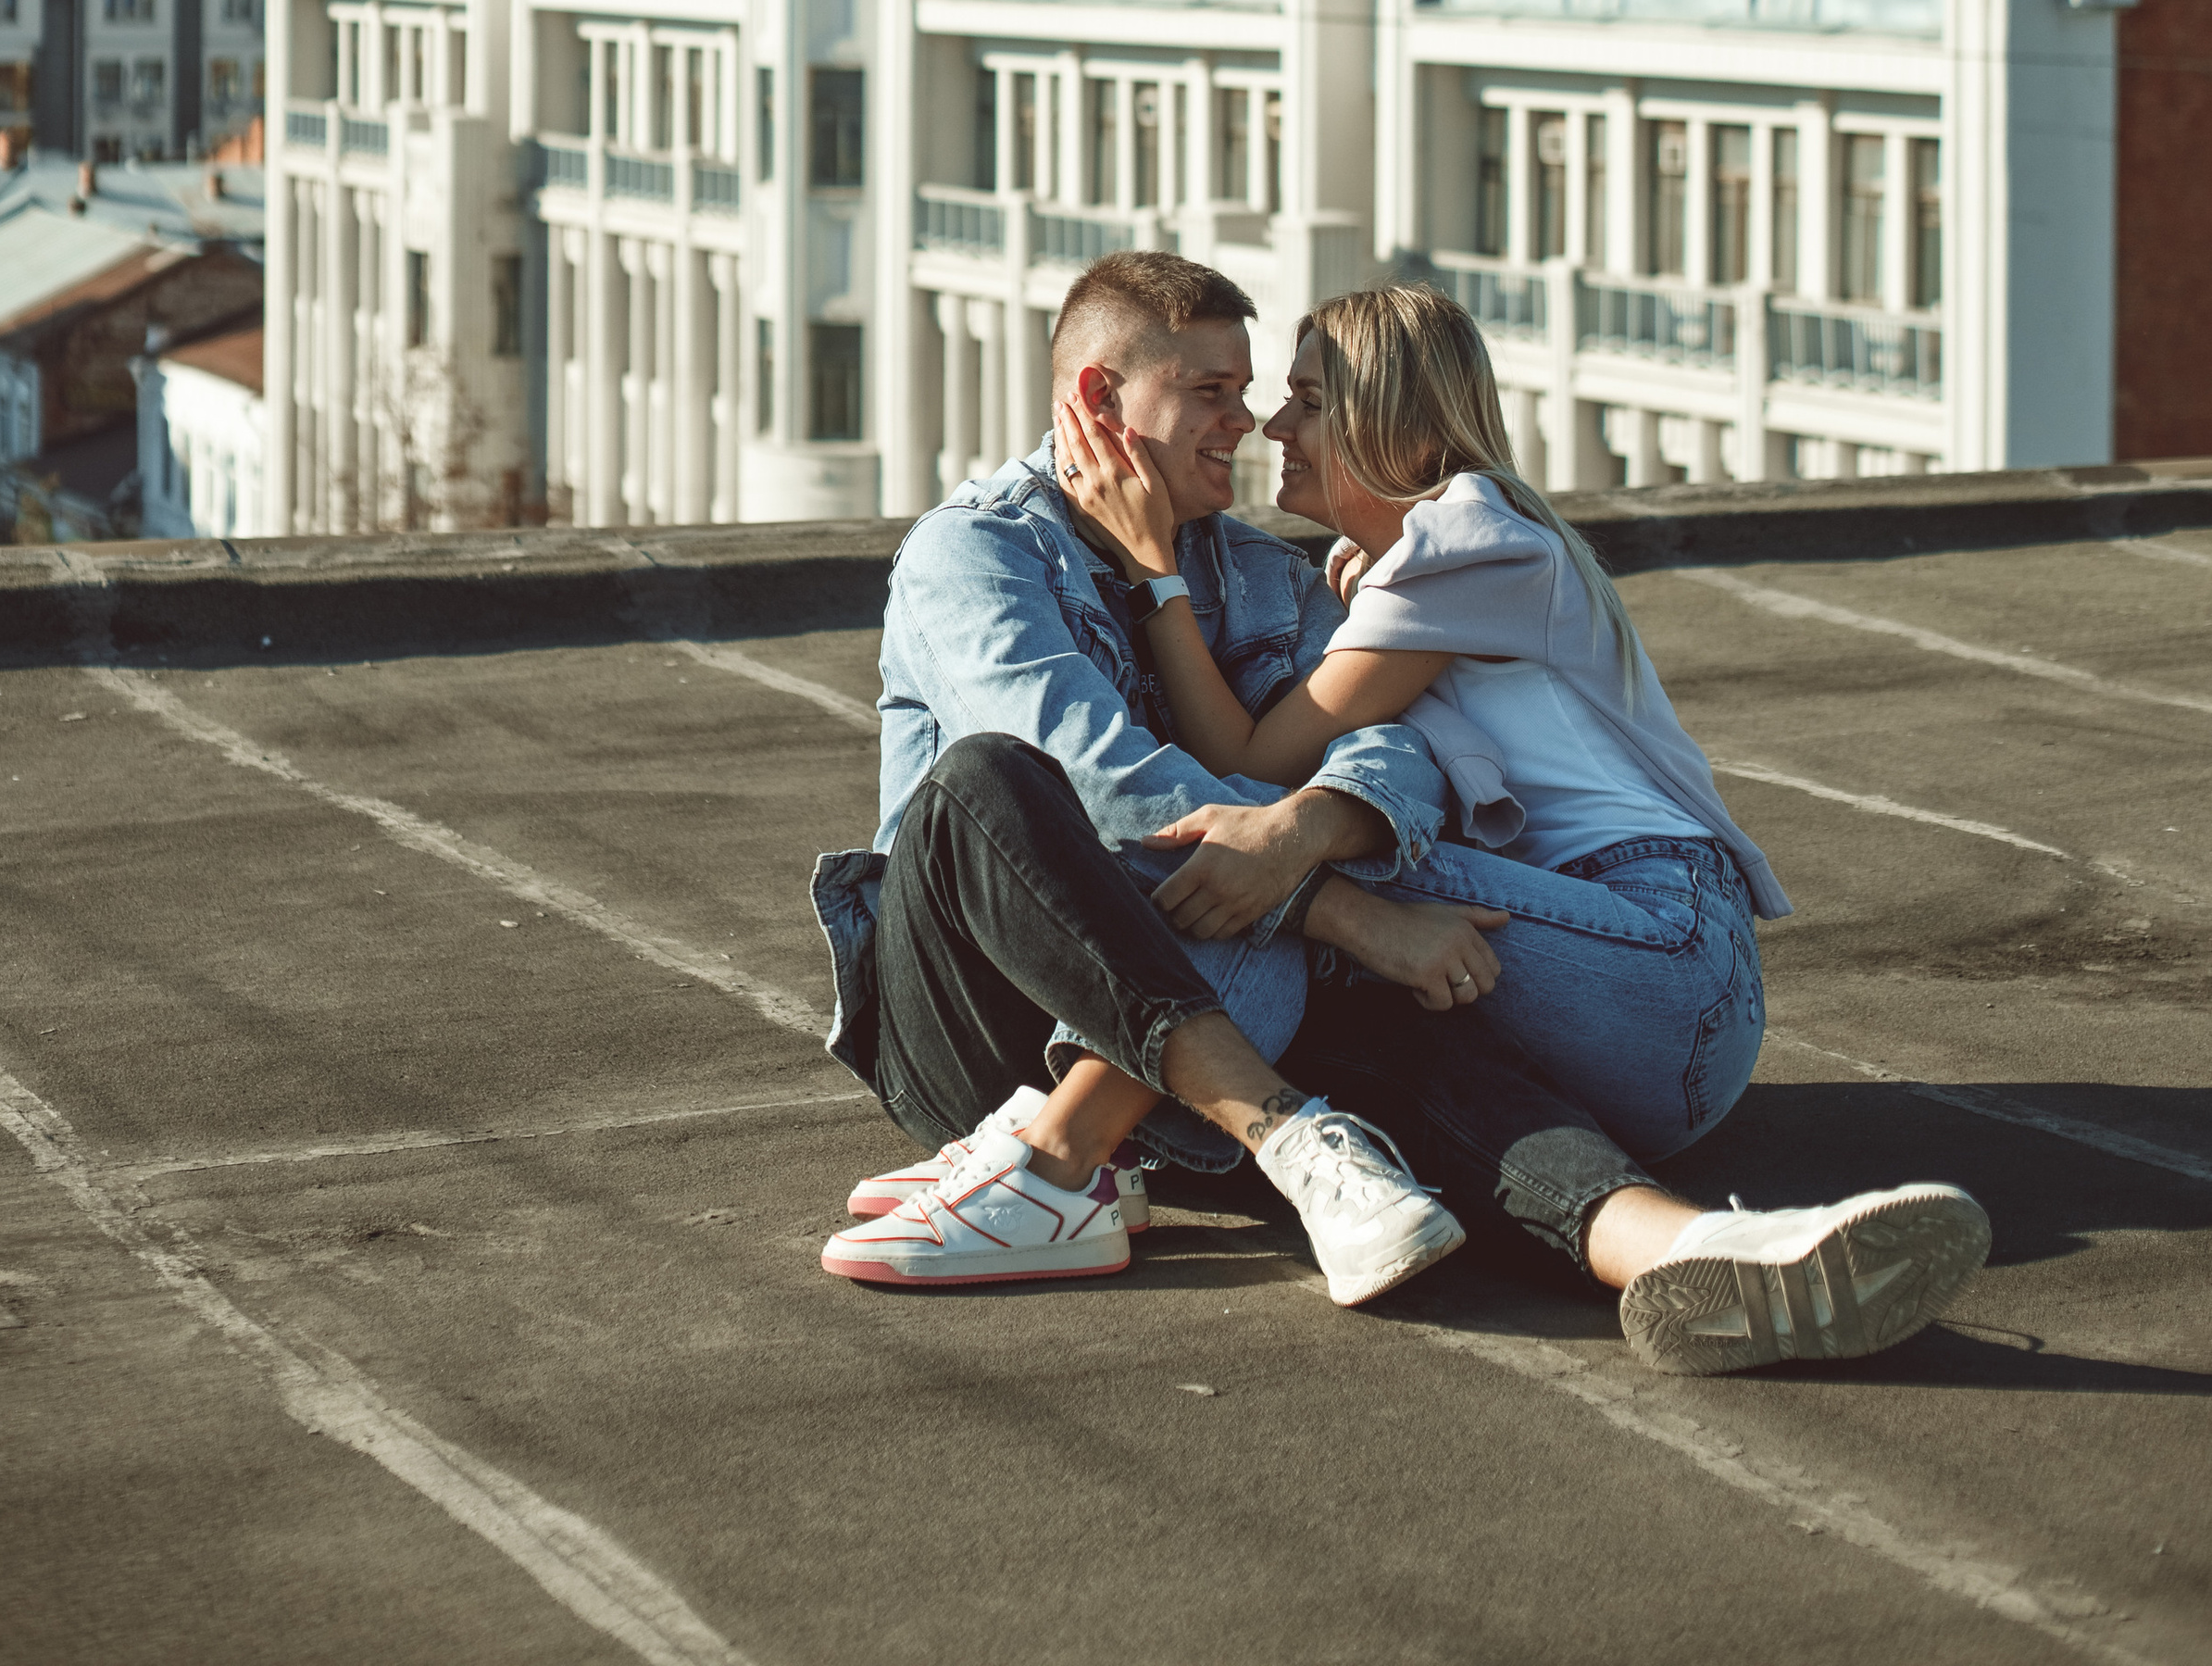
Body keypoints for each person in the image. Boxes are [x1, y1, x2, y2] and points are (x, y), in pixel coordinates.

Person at [811, 253, 1991, 1368]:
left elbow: (1405, 751)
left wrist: (1304, 837)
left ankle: (1679, 1250)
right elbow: (1091, 779)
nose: (1253, 421)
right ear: (1098, 399)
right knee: (1000, 781)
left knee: (1387, 1020)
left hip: (1197, 1056)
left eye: (1273, 395)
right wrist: (1335, 905)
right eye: (1212, 391)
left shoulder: (1268, 571)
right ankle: (1118, 1147)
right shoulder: (975, 555)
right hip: (987, 1018)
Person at [1056, 281, 1776, 1164]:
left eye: (1312, 404)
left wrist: (1150, 567)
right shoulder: (1410, 560)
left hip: (1665, 964)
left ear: (1412, 432)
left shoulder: (1467, 541)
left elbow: (1247, 758)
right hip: (1623, 979)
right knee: (1281, 865)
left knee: (1250, 859)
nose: (1274, 427)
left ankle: (1054, 1146)